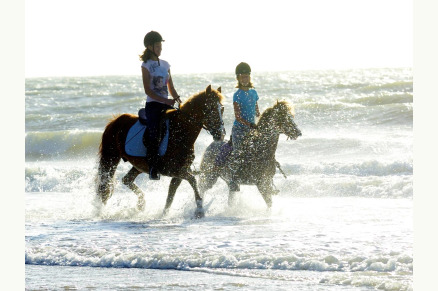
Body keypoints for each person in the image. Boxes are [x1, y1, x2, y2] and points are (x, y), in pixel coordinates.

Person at [140, 31, 182, 180]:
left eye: (160, 46)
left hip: (166, 104)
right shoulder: (146, 65)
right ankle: (153, 168)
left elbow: (171, 87)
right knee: (154, 133)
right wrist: (166, 101)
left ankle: (180, 161)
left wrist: (177, 100)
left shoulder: (166, 64)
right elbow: (148, 90)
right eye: (157, 46)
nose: (160, 48)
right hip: (153, 106)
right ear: (150, 47)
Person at [229, 62, 261, 191]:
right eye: (242, 77)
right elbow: (238, 117)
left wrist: (262, 122)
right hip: (239, 129)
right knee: (238, 152)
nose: (245, 79)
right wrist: (250, 125)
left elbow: (257, 111)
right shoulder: (237, 95)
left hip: (253, 128)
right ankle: (233, 179)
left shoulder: (254, 93)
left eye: (247, 76)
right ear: (238, 78)